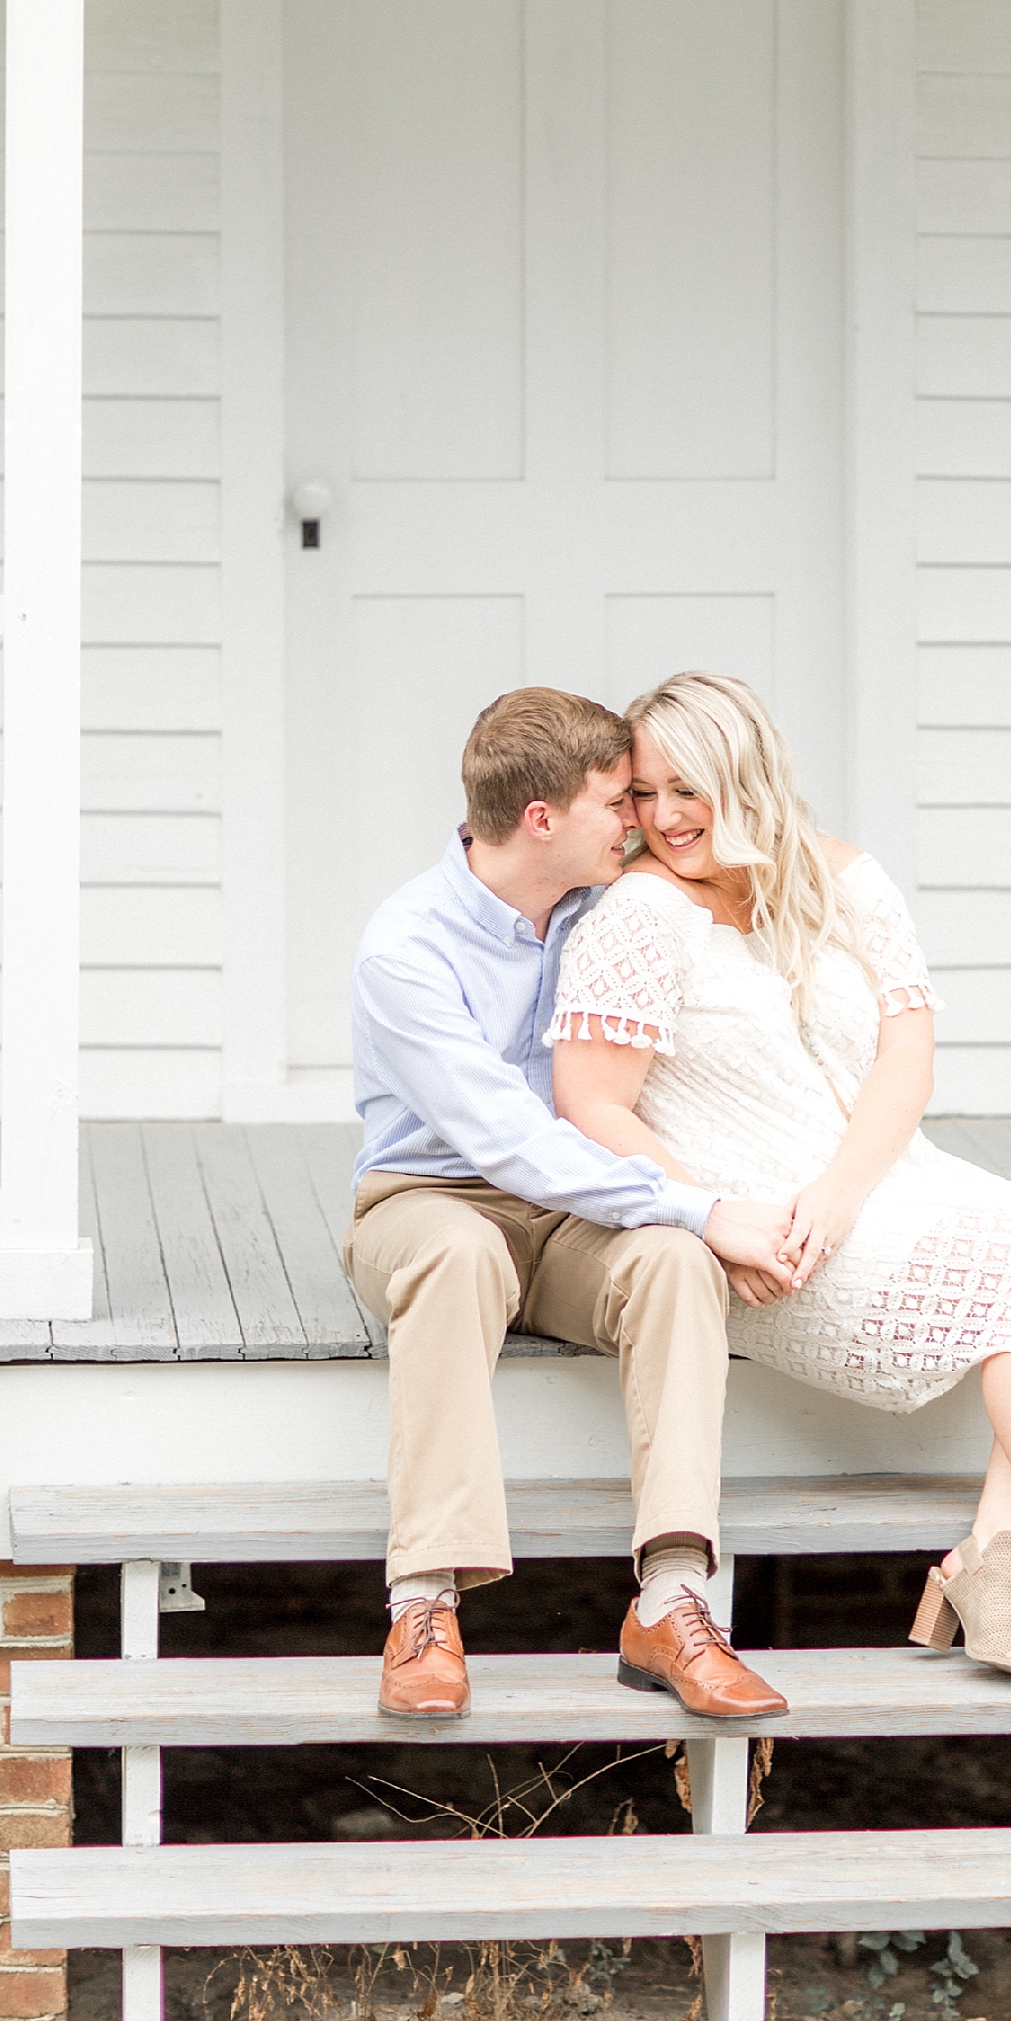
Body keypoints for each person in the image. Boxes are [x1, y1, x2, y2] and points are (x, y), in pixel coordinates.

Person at [550, 672, 1011, 1686]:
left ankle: (994, 1554)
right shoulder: (639, 915)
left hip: (881, 1184)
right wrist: (717, 1219)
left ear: (748, 776)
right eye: (643, 794)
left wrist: (846, 1187)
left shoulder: (843, 879)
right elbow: (592, 1102)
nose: (665, 817)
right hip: (763, 1231)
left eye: (689, 788)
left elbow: (908, 1052)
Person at [345, 686, 792, 1723]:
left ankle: (672, 1600)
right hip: (430, 1195)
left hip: (572, 1214)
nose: (638, 819)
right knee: (462, 1252)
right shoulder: (406, 947)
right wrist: (701, 1204)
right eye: (617, 800)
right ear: (541, 818)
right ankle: (424, 1604)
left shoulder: (612, 903)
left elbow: (771, 876)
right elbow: (507, 1141)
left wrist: (694, 1220)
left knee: (673, 1260)